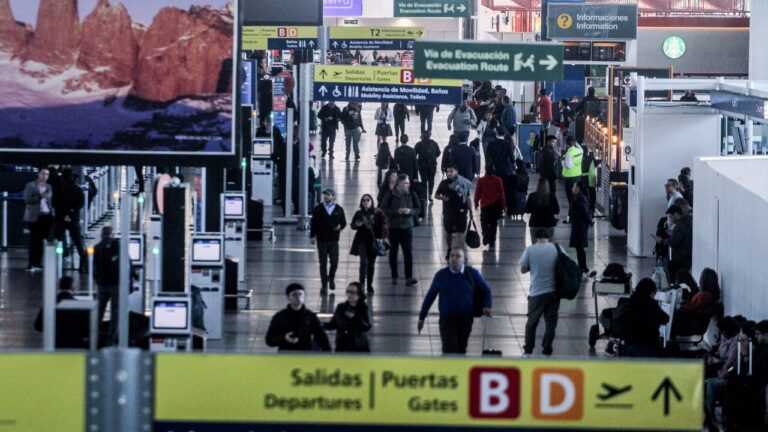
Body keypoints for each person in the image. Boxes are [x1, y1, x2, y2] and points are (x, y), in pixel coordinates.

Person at [418, 248, 492, 355]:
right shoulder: (441, 275)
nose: (454, 259)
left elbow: (486, 290)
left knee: (461, 348)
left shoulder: (472, 274)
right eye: (452, 256)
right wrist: (422, 316)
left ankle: (459, 370)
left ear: (464, 260)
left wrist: (486, 306)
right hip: (447, 320)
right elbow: (430, 296)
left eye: (458, 256)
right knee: (449, 349)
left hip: (466, 319)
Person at [519, 229, 560, 356]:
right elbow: (566, 264)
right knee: (550, 323)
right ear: (548, 237)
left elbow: (523, 269)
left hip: (537, 292)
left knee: (532, 322)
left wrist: (534, 265)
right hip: (554, 292)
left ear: (536, 237)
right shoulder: (556, 248)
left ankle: (528, 350)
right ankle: (547, 349)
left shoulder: (531, 250)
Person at [265, 283, 331, 352]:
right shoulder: (279, 317)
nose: (298, 297)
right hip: (286, 356)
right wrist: (284, 338)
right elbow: (269, 340)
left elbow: (321, 338)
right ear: (288, 297)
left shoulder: (310, 316)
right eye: (294, 294)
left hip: (305, 356)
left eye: (300, 294)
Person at [380, 174, 420, 286]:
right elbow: (383, 209)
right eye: (405, 183)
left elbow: (418, 209)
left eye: (408, 183)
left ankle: (409, 276)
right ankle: (394, 275)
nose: (408, 185)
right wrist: (396, 212)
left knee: (408, 252)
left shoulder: (411, 194)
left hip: (407, 226)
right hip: (394, 227)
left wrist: (410, 211)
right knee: (393, 251)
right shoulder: (391, 195)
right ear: (399, 183)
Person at [615, 278, 669, 357]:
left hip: (630, 347)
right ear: (650, 292)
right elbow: (665, 319)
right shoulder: (652, 305)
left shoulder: (629, 303)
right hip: (649, 347)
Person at [310, 189, 347, 293]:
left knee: (334, 261)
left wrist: (340, 226)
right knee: (323, 262)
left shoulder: (339, 209)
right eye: (325, 195)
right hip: (322, 240)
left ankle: (331, 277)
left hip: (334, 240)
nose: (326, 197)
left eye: (328, 195)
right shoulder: (318, 209)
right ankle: (324, 283)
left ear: (333, 197)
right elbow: (314, 223)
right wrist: (312, 236)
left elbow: (343, 222)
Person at [350, 194, 388, 294]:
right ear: (361, 203)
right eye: (363, 200)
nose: (366, 202)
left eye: (368, 200)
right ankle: (361, 283)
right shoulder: (359, 213)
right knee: (363, 262)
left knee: (371, 264)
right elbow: (353, 225)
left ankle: (369, 285)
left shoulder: (378, 212)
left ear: (371, 201)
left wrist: (384, 231)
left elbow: (384, 223)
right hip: (362, 240)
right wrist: (357, 224)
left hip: (374, 242)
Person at [52, 168, 87, 273]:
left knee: (58, 240)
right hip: (73, 218)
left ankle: (57, 261)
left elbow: (55, 203)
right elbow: (80, 203)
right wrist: (70, 213)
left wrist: (64, 214)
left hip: (61, 218)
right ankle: (83, 264)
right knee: (78, 242)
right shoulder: (77, 189)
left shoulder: (58, 189)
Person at [324, 282, 373, 352]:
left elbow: (367, 326)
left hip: (359, 347)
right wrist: (320, 325)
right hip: (342, 346)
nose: (349, 294)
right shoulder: (341, 307)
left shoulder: (364, 308)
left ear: (359, 295)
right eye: (348, 291)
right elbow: (333, 324)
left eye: (352, 292)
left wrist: (355, 317)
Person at [436, 166, 473, 258]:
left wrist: (471, 211)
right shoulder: (444, 183)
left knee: (460, 232)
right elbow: (436, 195)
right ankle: (449, 250)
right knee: (448, 232)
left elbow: (467, 197)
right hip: (448, 211)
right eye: (448, 171)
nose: (449, 173)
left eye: (451, 171)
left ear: (457, 172)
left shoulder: (463, 182)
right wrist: (443, 198)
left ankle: (460, 252)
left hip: (461, 210)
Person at [94, 226, 121, 344]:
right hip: (116, 284)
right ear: (112, 234)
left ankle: (95, 337)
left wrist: (97, 279)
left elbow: (91, 266)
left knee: (98, 312)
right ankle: (111, 340)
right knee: (116, 313)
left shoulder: (97, 247)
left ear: (102, 234)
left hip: (102, 284)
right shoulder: (119, 246)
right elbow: (127, 263)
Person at [675, 268, 720, 336]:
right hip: (693, 323)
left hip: (689, 325)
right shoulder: (709, 295)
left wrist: (679, 307)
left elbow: (691, 309)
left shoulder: (703, 295)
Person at [23, 168, 54, 271]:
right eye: (43, 174)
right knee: (33, 241)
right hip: (35, 217)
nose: (45, 176)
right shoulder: (30, 185)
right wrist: (40, 197)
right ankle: (31, 263)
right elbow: (27, 200)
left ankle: (39, 262)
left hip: (46, 215)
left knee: (41, 240)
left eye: (47, 174)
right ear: (38, 174)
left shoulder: (49, 186)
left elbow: (50, 202)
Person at [474, 165, 505, 249]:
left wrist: (476, 203)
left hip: (485, 205)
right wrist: (503, 205)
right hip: (495, 205)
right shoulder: (498, 180)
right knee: (493, 223)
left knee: (484, 221)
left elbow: (477, 192)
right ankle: (492, 240)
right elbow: (501, 194)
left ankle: (485, 233)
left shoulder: (481, 180)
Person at [486, 126, 516, 216]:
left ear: (496, 133)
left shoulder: (491, 144)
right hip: (506, 171)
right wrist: (514, 165)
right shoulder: (507, 144)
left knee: (495, 190)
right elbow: (511, 158)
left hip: (495, 171)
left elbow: (488, 158)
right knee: (505, 189)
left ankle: (497, 208)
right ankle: (505, 207)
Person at [662, 204, 692, 276]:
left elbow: (673, 241)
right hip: (687, 258)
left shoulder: (680, 225)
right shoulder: (688, 220)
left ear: (675, 214)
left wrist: (661, 241)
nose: (670, 219)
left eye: (670, 217)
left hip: (679, 260)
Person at [569, 182, 592, 275]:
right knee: (579, 248)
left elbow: (584, 212)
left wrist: (590, 221)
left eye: (574, 186)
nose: (572, 188)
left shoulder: (579, 199)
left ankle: (583, 267)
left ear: (578, 189)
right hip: (580, 226)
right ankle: (582, 267)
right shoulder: (581, 198)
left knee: (580, 248)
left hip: (579, 227)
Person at [414, 131, 441, 202]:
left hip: (422, 165)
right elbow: (438, 153)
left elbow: (414, 154)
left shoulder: (419, 144)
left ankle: (424, 195)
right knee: (431, 180)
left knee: (424, 181)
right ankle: (430, 195)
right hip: (432, 165)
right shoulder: (434, 143)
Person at [561, 135, 584, 211]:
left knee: (570, 198)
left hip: (570, 179)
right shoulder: (579, 151)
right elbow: (580, 148)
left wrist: (562, 162)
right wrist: (575, 142)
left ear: (567, 144)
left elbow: (569, 166)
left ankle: (571, 216)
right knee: (577, 196)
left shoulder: (569, 154)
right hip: (578, 177)